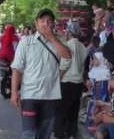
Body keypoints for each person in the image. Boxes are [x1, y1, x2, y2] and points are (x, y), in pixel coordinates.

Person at [10, 8, 72, 139]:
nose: (46, 24)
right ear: (36, 23)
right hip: (30, 96)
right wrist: (14, 92)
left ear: (53, 24)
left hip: (51, 96)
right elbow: (17, 68)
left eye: (49, 21)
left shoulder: (59, 41)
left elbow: (67, 57)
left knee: (45, 134)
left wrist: (52, 38)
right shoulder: (26, 42)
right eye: (42, 21)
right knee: (29, 134)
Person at [54, 19, 88, 139]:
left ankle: (60, 133)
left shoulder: (67, 45)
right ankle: (71, 132)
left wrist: (58, 77)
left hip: (67, 81)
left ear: (69, 32)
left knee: (62, 109)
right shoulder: (83, 47)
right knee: (74, 110)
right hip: (78, 83)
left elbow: (65, 64)